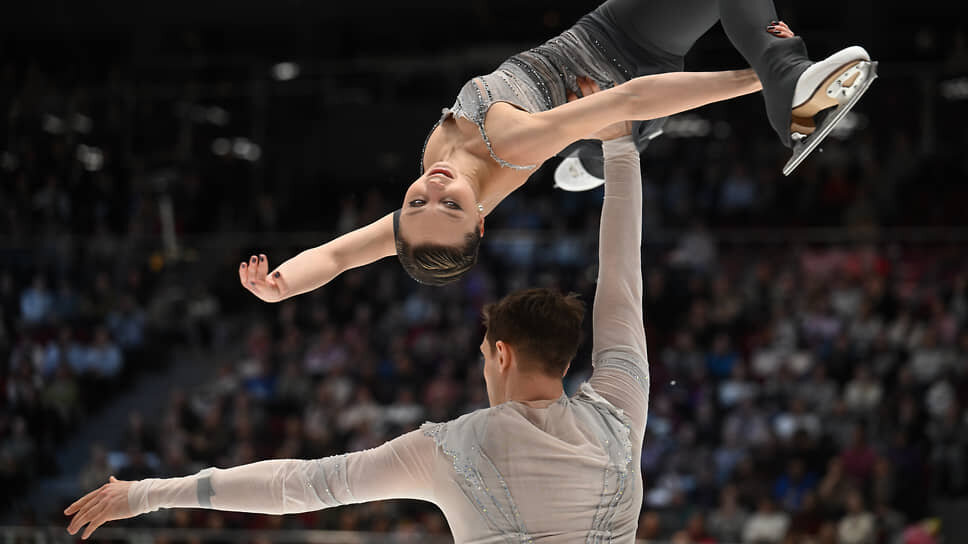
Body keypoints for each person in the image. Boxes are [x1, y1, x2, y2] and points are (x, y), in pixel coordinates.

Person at [66, 123, 653, 542]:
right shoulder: (616, 422)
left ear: (499, 353)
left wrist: (146, 495)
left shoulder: (455, 449)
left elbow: (294, 486)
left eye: (480, 355)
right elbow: (622, 286)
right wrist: (621, 149)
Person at [240, 3, 875, 292]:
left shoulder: (428, 220)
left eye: (415, 200)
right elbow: (629, 100)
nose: (432, 186)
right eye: (451, 204)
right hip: (629, 65)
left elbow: (342, 255)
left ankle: (589, 164)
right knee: (618, 121)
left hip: (599, 33)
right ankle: (789, 87)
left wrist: (281, 284)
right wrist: (757, 78)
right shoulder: (510, 139)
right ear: (482, 223)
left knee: (598, 139)